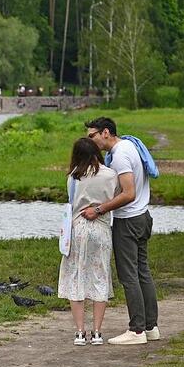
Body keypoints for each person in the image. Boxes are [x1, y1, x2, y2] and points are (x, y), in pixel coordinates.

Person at [82, 117, 159, 345]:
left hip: (129, 221)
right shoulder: (129, 145)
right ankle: (150, 327)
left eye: (92, 135)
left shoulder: (121, 155)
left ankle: (136, 331)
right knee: (142, 272)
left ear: (105, 132)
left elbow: (128, 193)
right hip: (142, 217)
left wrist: (99, 209)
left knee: (129, 276)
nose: (91, 140)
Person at [58, 138, 118, 346]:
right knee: (100, 275)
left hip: (78, 230)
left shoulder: (74, 176)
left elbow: (71, 202)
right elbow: (115, 197)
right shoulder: (110, 174)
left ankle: (80, 332)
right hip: (100, 229)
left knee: (77, 277)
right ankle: (98, 332)